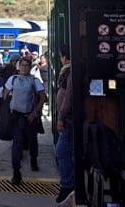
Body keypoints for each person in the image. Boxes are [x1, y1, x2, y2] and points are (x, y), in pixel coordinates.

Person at [3, 56, 47, 185]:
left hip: (29, 117)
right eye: (22, 65)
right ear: (18, 67)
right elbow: (5, 95)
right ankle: (16, 172)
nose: (24, 67)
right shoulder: (13, 79)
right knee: (16, 145)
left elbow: (43, 97)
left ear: (30, 67)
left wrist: (35, 113)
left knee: (32, 141)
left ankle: (33, 159)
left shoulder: (35, 81)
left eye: (26, 65)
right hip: (16, 117)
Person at [55, 46, 74, 204]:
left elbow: (68, 97)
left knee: (61, 151)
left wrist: (61, 117)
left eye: (61, 56)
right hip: (67, 118)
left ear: (65, 57)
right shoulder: (67, 71)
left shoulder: (71, 72)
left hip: (68, 119)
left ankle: (68, 184)